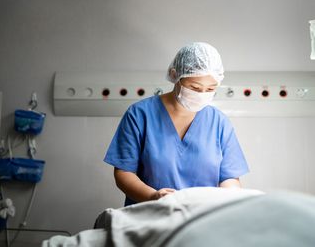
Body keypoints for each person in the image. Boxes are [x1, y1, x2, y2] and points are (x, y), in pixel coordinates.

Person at [104, 42, 249, 206]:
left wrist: (230, 201)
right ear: (175, 76)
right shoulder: (140, 115)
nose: (202, 94)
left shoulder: (219, 122)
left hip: (200, 217)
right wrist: (154, 197)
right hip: (149, 216)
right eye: (194, 87)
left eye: (210, 89)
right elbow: (124, 173)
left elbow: (229, 178)